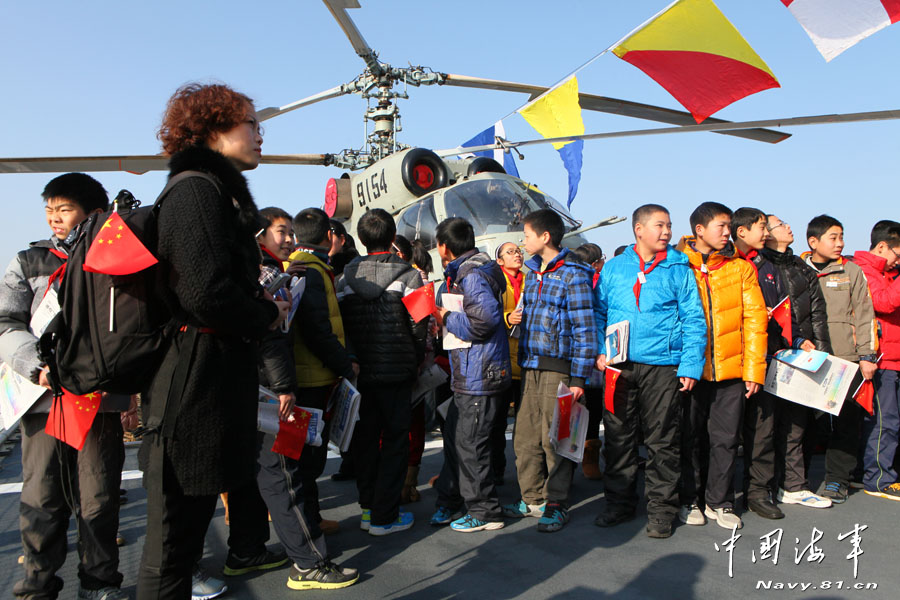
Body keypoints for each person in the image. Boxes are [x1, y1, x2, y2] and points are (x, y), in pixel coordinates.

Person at [136, 82, 294, 598]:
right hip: (192, 384)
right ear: (211, 130)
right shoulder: (195, 191)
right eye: (249, 123)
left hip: (210, 378)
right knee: (172, 546)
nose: (259, 134)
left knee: (183, 536)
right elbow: (205, 292)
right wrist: (267, 311)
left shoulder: (210, 191)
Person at [2, 173, 130, 600]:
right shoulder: (28, 260)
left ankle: (99, 581)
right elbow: (5, 322)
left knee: (99, 494)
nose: (55, 218)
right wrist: (35, 364)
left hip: (97, 396)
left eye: (65, 209)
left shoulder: (118, 259)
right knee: (41, 494)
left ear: (95, 212)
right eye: (49, 210)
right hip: (43, 398)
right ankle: (37, 583)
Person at [255, 207, 359, 591]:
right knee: (290, 470)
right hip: (296, 386)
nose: (286, 240)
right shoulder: (303, 272)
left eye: (289, 232)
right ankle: (309, 560)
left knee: (290, 467)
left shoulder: (293, 270)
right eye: (280, 232)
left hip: (293, 382)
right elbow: (315, 329)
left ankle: (290, 535)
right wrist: (344, 364)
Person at [593, 204, 707, 539]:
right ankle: (619, 504)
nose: (667, 232)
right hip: (619, 365)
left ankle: (660, 511)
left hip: (663, 366)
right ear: (638, 229)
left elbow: (694, 319)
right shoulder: (614, 268)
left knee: (663, 441)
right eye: (660, 225)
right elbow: (599, 312)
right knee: (618, 437)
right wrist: (602, 350)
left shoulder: (678, 268)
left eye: (669, 225)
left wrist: (690, 365)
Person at [504, 209, 597, 533]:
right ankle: (532, 498)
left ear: (545, 237)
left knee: (555, 439)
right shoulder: (532, 271)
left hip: (560, 371)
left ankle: (556, 502)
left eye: (527, 235)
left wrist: (578, 378)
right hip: (530, 366)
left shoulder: (575, 273)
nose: (522, 241)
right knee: (525, 438)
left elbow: (586, 329)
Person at [336, 208, 427, 535]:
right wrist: (414, 358)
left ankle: (368, 509)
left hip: (359, 373)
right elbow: (421, 326)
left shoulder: (344, 279)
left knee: (364, 441)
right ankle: (386, 515)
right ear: (392, 238)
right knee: (394, 441)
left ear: (360, 239)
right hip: (398, 372)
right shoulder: (410, 276)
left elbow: (340, 327)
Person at [677, 203, 767, 530]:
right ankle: (689, 499)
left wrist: (754, 370)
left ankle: (720, 501)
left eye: (729, 226)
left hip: (731, 370)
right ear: (699, 230)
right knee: (689, 438)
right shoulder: (677, 265)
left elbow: (755, 321)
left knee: (726, 439)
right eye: (721, 226)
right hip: (691, 370)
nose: (727, 232)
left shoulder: (740, 269)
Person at [429, 218, 511, 532]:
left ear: (444, 247)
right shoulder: (480, 269)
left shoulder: (471, 275)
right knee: (463, 439)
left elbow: (485, 321)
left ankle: (484, 511)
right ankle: (465, 502)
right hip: (476, 370)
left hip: (479, 372)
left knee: (471, 443)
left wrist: (447, 317)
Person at [288, 208, 357, 536]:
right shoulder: (312, 271)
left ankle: (307, 519)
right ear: (328, 235)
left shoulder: (301, 267)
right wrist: (345, 364)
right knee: (307, 456)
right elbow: (317, 329)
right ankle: (306, 524)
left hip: (302, 375)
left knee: (300, 454)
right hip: (311, 378)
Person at [761, 214, 834, 509]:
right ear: (765, 233)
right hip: (769, 354)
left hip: (801, 354)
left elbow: (818, 315)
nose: (789, 227)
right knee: (764, 426)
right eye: (780, 225)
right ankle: (762, 487)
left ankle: (793, 485)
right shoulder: (758, 267)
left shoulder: (801, 268)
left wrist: (822, 353)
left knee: (796, 423)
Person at [803, 214, 878, 504]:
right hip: (810, 361)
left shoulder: (851, 271)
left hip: (847, 360)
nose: (840, 243)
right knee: (810, 424)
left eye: (841, 237)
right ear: (813, 241)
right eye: (833, 237)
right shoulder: (800, 270)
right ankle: (799, 480)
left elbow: (864, 314)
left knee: (847, 422)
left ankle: (837, 480)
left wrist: (867, 356)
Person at [731, 207, 788, 520]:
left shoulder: (769, 266)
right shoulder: (725, 264)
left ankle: (757, 492)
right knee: (724, 435)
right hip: (728, 358)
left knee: (762, 430)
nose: (766, 233)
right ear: (742, 231)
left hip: (764, 355)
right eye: (762, 227)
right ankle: (720, 496)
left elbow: (782, 309)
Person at [853, 220, 900, 501]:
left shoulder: (887, 273)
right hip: (880, 360)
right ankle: (879, 478)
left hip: (893, 358)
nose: (897, 260)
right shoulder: (864, 271)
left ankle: (881, 472)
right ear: (882, 246)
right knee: (885, 422)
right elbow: (883, 302)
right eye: (897, 254)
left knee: (891, 421)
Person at [568, 242, 606, 481]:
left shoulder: (599, 285)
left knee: (587, 407)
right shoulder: (585, 284)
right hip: (579, 355)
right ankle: (576, 458)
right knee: (583, 408)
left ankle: (587, 456)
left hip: (591, 355)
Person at [494, 241, 524, 484]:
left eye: (519, 251)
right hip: (503, 361)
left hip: (526, 361)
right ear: (500, 261)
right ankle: (497, 471)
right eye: (511, 252)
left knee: (525, 424)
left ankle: (527, 473)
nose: (517, 255)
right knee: (498, 421)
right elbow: (488, 313)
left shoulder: (531, 280)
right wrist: (507, 317)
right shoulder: (495, 282)